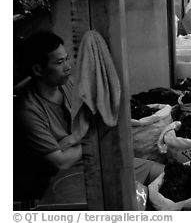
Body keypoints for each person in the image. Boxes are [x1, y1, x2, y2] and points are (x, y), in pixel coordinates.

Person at [13, 32, 164, 204]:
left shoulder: (68, 84)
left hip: (89, 160)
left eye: (67, 58)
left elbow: (92, 119)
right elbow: (61, 162)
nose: (68, 66)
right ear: (38, 70)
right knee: (132, 201)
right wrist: (93, 136)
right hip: (63, 180)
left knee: (160, 173)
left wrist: (76, 140)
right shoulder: (28, 111)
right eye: (60, 62)